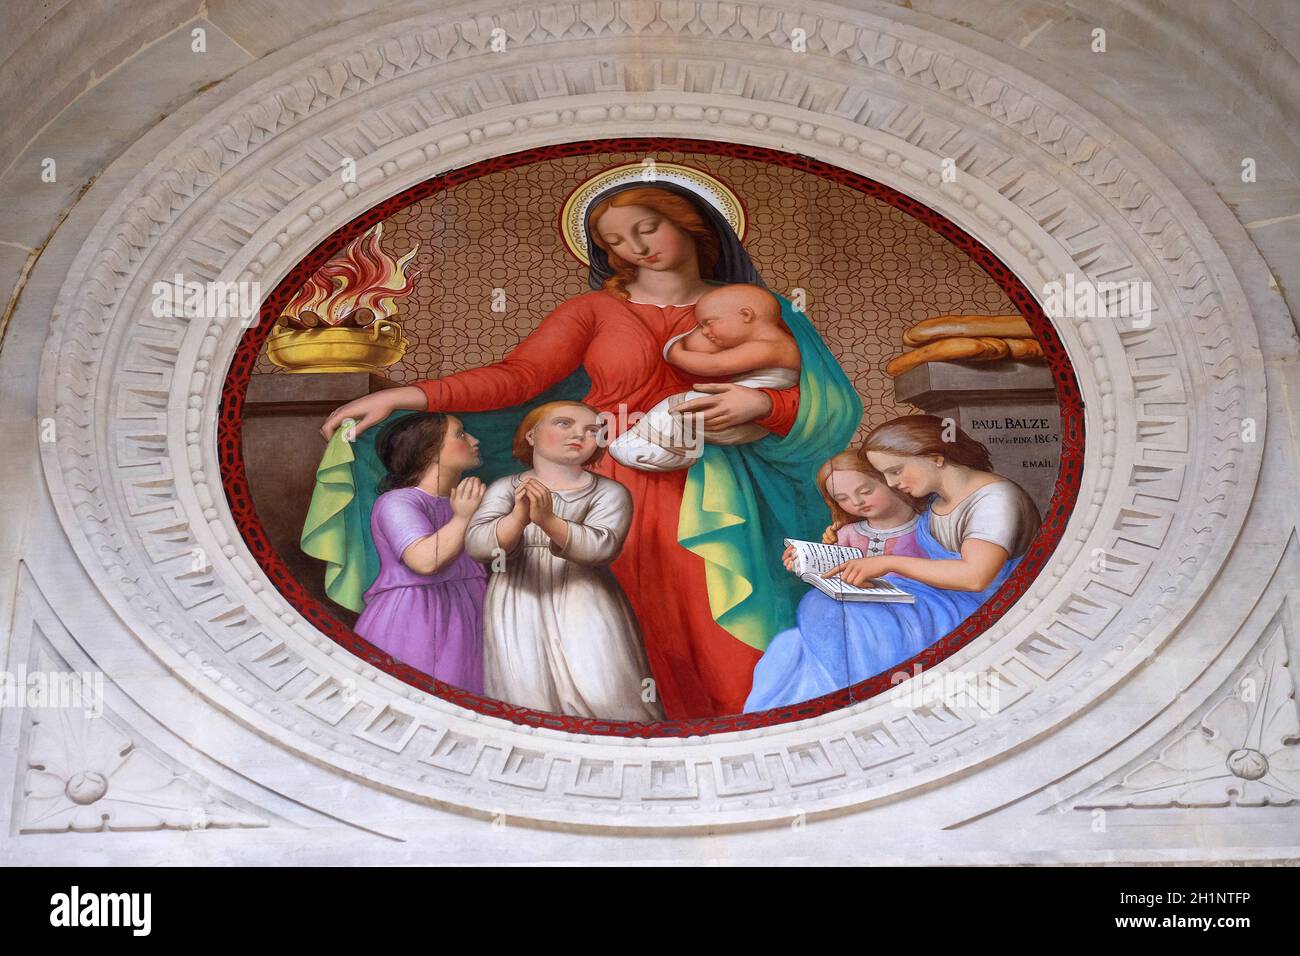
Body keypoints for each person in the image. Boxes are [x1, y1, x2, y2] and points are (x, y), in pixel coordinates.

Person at [321, 181, 861, 718]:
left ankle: (741, 734)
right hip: (609, 478)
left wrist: (762, 405)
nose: (636, 247)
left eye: (648, 228)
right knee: (606, 623)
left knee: (717, 627)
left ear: (689, 223)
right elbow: (519, 378)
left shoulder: (754, 307)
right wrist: (405, 395)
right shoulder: (593, 311)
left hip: (724, 488)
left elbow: (830, 404)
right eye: (616, 241)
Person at [745, 415, 1041, 712]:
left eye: (895, 471)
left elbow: (976, 577)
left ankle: (853, 705)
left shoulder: (995, 499)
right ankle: (816, 707)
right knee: (793, 642)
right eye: (885, 475)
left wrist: (887, 563)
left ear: (936, 457)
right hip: (929, 595)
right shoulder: (937, 500)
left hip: (974, 607)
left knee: (829, 613)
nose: (892, 483)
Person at [464, 401, 662, 720]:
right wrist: (518, 517)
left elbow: (601, 547)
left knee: (608, 689)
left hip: (585, 597)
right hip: (518, 597)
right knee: (524, 690)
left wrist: (547, 521)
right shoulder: (505, 488)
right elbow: (478, 545)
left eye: (592, 431)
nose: (579, 435)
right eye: (564, 424)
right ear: (531, 435)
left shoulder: (609, 492)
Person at [353, 413, 488, 691]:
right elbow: (425, 561)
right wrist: (462, 518)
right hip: (416, 617)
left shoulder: (464, 502)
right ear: (429, 451)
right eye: (461, 434)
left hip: (467, 614)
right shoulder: (398, 502)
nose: (474, 440)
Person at [609, 283, 802, 471]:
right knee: (682, 413)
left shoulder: (767, 346)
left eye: (709, 323)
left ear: (745, 314)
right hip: (748, 413)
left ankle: (652, 451)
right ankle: (663, 449)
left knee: (677, 405)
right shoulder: (775, 344)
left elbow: (716, 365)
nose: (706, 332)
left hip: (743, 407)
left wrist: (676, 354)